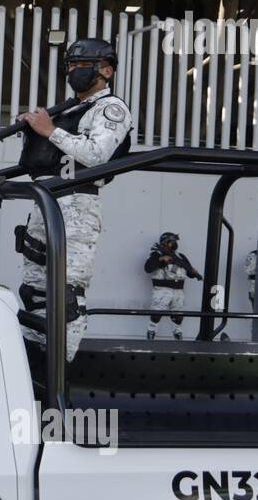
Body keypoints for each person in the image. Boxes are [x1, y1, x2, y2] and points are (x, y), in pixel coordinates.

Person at [16, 38, 133, 362]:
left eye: (84, 66)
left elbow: (97, 154)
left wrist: (49, 130)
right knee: (35, 290)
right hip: (44, 202)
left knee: (66, 295)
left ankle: (59, 373)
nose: (75, 71)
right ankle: (33, 367)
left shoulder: (111, 108)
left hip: (77, 205)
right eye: (71, 65)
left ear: (106, 70)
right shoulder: (68, 109)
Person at [143, 231, 202, 340]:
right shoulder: (156, 254)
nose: (175, 243)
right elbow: (148, 268)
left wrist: (194, 273)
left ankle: (177, 335)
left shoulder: (180, 256)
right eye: (172, 241)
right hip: (162, 290)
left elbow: (189, 271)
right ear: (165, 243)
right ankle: (151, 335)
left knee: (178, 316)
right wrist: (161, 259)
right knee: (156, 315)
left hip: (178, 291)